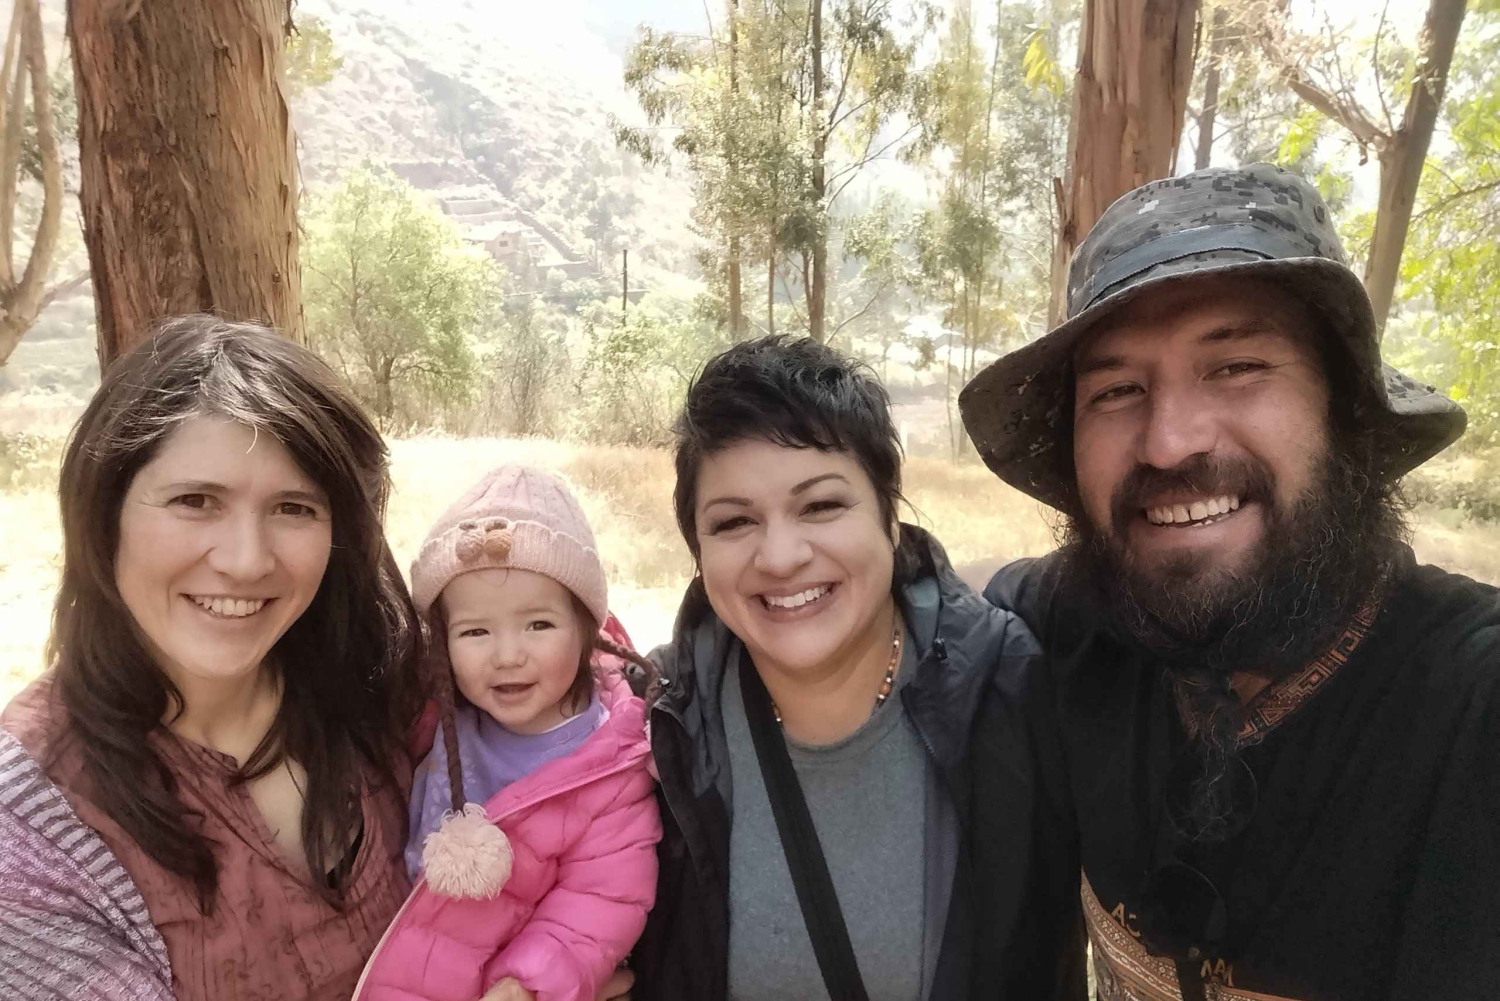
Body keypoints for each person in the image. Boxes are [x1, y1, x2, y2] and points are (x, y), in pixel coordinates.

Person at [960, 163, 1500, 1000]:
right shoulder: (1067, 627)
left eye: (1237, 365)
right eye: (1117, 389)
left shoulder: (1467, 709)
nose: (1168, 441)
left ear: (1344, 408)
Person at [630, 336, 1087, 1001]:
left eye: (820, 506)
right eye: (733, 522)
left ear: (888, 515)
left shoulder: (1012, 688)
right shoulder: (654, 732)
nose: (781, 556)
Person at [0, 315, 425, 1000]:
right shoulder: (28, 825)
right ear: (103, 516)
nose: (246, 560)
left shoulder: (386, 682)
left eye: (294, 508)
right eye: (195, 501)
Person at [356, 465, 661, 1001]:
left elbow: (600, 903)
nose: (507, 655)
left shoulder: (610, 766)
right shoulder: (434, 714)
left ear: (587, 630)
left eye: (539, 625)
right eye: (475, 631)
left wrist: (524, 985)